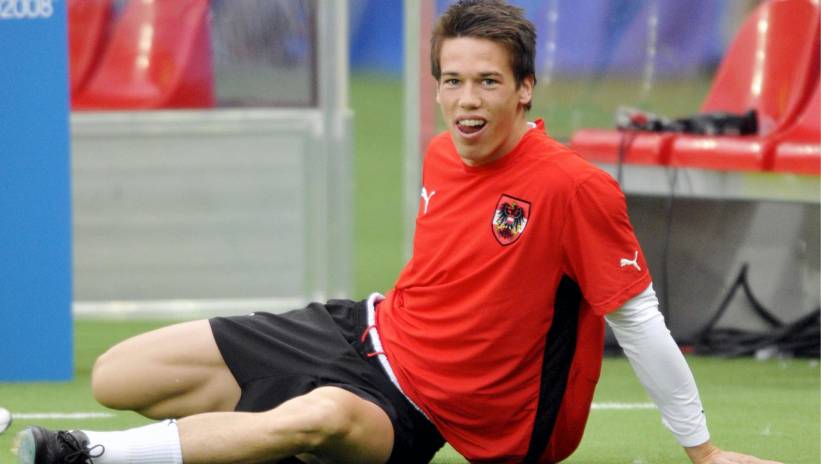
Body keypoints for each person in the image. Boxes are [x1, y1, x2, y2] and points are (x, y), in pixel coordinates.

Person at [17, 1, 782, 463]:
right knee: (118, 376)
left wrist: (702, 450)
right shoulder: (441, 152)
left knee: (320, 416)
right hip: (358, 331)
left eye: (488, 82)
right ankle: (264, 439)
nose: (467, 100)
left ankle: (83, 454)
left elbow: (637, 321)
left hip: (414, 415)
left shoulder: (574, 187)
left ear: (524, 89)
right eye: (452, 81)